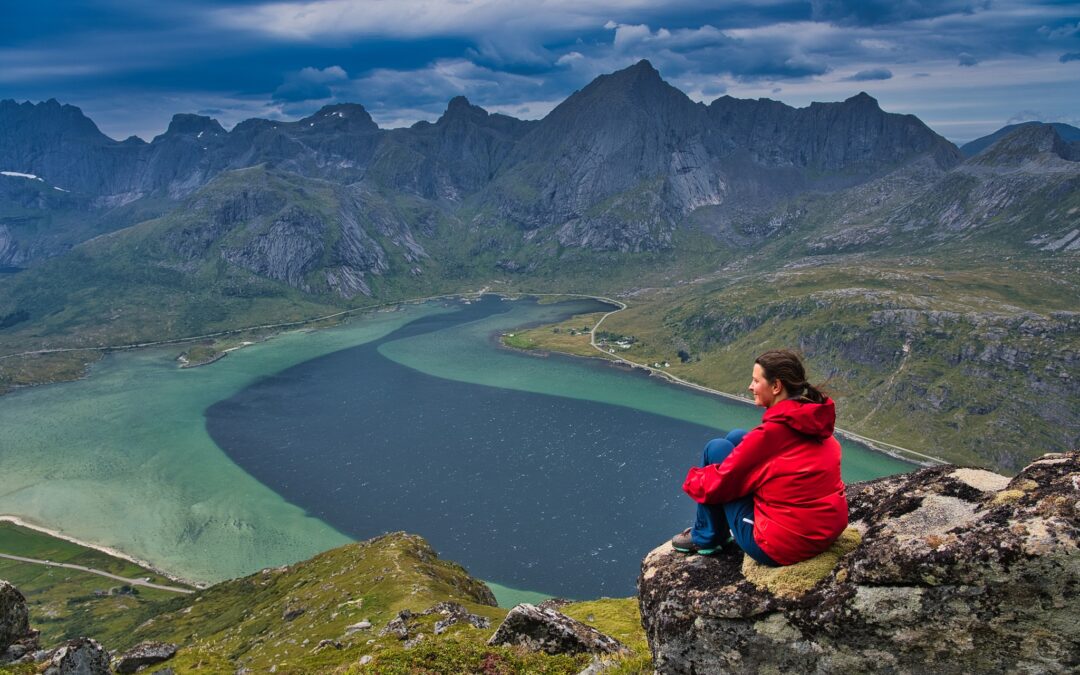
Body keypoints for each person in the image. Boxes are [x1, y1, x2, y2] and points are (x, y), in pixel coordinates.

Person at [671, 349, 848, 566]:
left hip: (781, 545)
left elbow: (718, 484)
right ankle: (711, 531)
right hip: (823, 532)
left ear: (776, 386)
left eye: (756, 380)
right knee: (737, 437)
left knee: (716, 449)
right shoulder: (815, 423)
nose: (750, 386)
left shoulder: (770, 436)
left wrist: (692, 480)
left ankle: (707, 537)